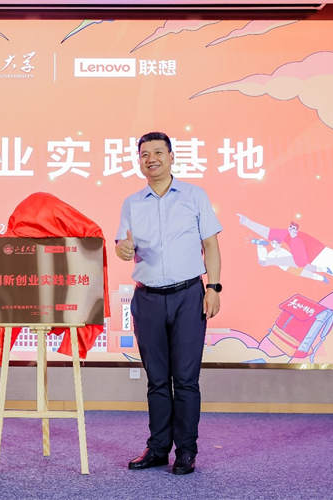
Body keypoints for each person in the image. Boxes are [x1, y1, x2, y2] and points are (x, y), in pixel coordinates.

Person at [116, 131, 222, 475]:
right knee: (157, 380)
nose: (151, 159)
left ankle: (186, 451)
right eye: (144, 154)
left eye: (158, 153)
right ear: (139, 161)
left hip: (188, 295)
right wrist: (123, 250)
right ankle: (158, 448)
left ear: (172, 157)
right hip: (147, 297)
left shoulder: (194, 196)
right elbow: (122, 246)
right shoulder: (132, 203)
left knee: (186, 379)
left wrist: (213, 287)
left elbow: (211, 245)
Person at [238, 215, 333, 281]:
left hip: (321, 256)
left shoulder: (293, 238)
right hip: (321, 255)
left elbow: (300, 260)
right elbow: (267, 232)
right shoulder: (286, 237)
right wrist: (247, 222)